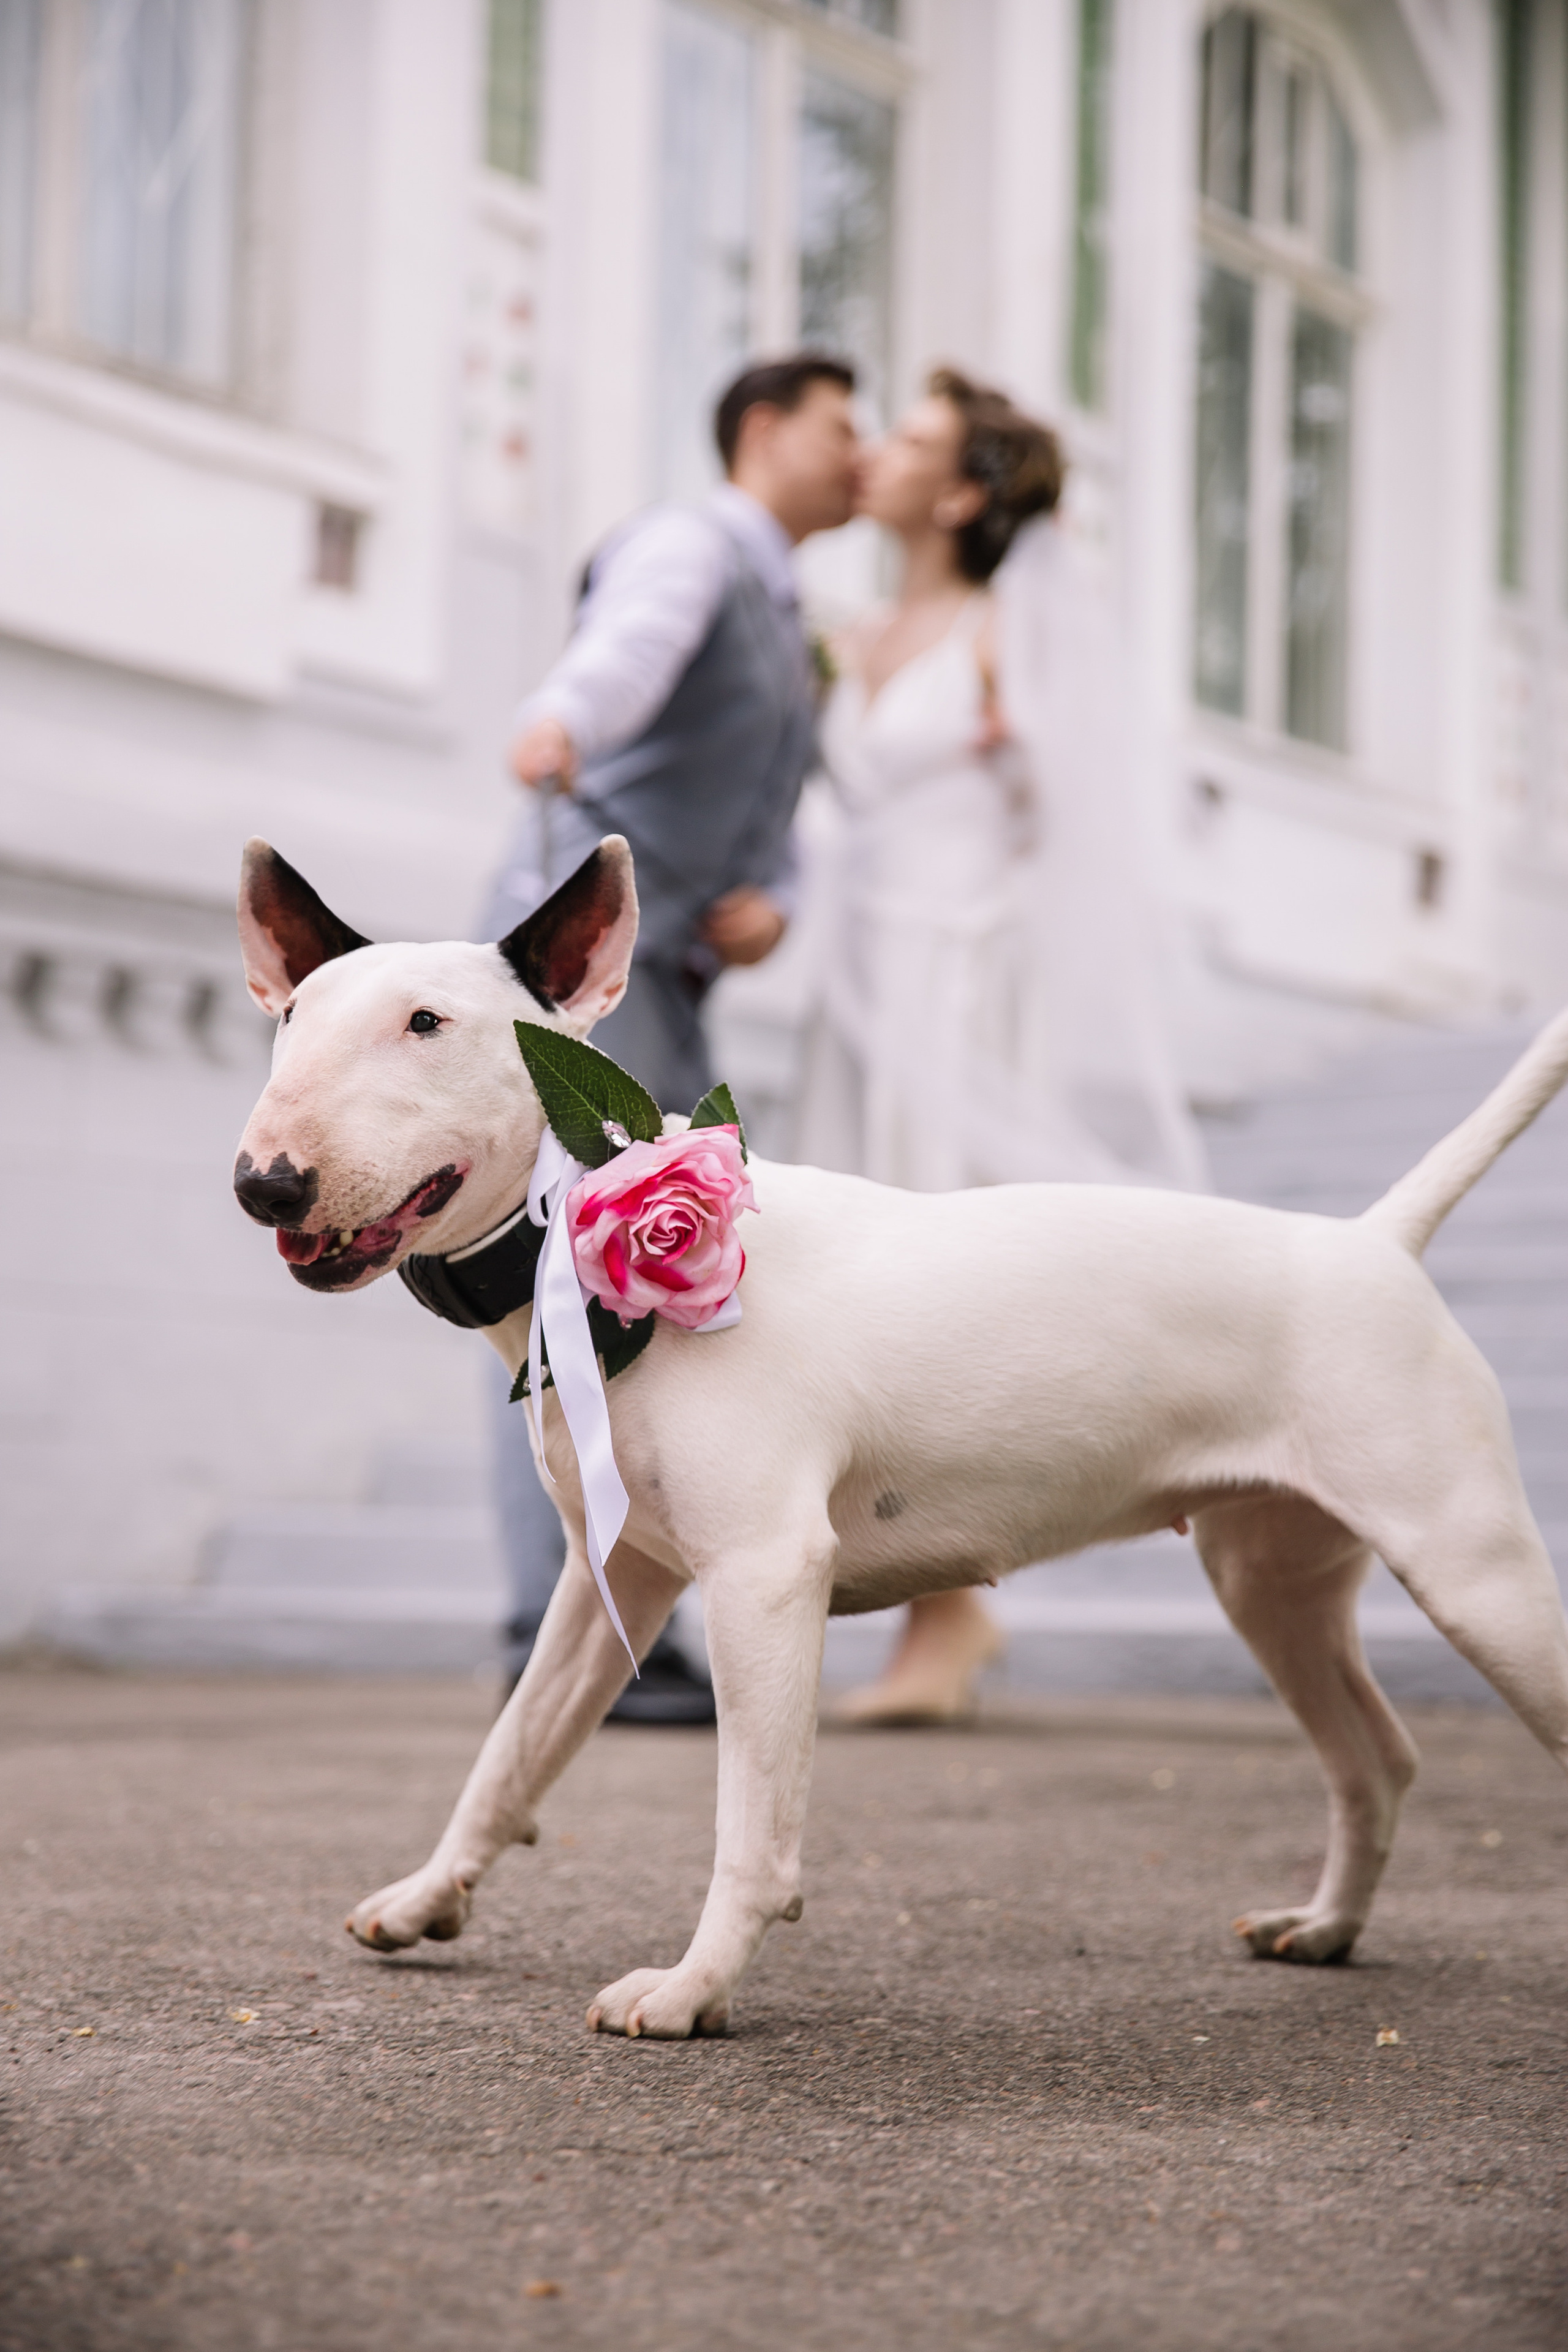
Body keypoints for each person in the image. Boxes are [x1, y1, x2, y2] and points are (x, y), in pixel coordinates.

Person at [795, 366, 1207, 1724]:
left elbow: (1074, 825)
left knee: (938, 1293)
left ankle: (950, 1612)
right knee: (843, 1295)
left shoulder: (998, 633)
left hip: (954, 986)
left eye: (907, 442)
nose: (875, 456)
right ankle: (922, 1606)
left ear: (962, 492)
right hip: (849, 999)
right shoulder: (853, 630)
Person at [483, 352, 861, 1719]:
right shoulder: (690, 543)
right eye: (840, 426)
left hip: (669, 964)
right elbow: (625, 653)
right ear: (762, 431)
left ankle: (620, 1624)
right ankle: (557, 1619)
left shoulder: (793, 615)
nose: (862, 453)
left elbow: (790, 804)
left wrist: (780, 902)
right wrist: (563, 720)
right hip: (572, 958)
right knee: (568, 1279)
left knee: (649, 1275)